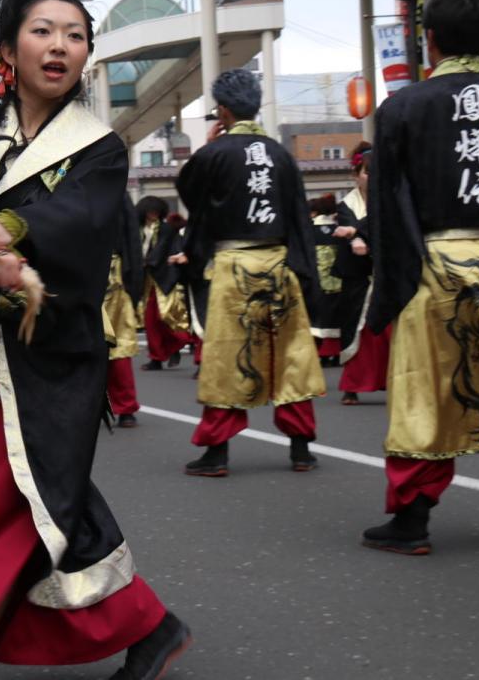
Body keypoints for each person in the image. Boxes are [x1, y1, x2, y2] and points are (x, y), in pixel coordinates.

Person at [0, 0, 188, 680]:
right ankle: (151, 626)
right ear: (6, 49)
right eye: (42, 30)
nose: (60, 44)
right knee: (37, 496)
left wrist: (16, 232)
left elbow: (86, 223)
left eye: (74, 33)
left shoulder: (98, 147)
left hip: (60, 343)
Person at [361, 0, 479, 554]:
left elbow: (389, 207)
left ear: (428, 40)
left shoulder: (402, 108)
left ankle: (412, 519)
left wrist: (390, 289)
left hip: (431, 262)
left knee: (425, 392)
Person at [173, 68, 325, 477]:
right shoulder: (280, 154)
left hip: (234, 265)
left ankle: (217, 451)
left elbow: (191, 193)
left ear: (222, 110)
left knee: (228, 354)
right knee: (290, 355)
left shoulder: (214, 154)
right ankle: (300, 448)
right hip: (279, 265)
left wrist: (208, 151)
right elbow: (299, 217)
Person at [334, 144, 390, 404]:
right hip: (358, 277)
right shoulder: (346, 204)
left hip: (386, 276)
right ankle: (353, 386)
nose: (370, 178)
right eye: (366, 173)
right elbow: (351, 232)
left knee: (390, 334)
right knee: (357, 330)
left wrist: (356, 233)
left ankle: (396, 383)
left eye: (375, 173)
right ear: (355, 175)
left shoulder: (391, 202)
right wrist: (356, 237)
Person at [136, 197, 191, 371]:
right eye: (150, 212)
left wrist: (147, 261)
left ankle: (178, 343)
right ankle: (157, 357)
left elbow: (161, 249)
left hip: (163, 277)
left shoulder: (166, 229)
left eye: (156, 212)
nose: (153, 215)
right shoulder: (138, 229)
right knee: (150, 320)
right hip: (146, 279)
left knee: (164, 317)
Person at [104, 198, 144, 427]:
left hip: (108, 274)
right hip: (107, 272)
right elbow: (133, 239)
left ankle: (124, 406)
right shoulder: (117, 188)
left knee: (116, 343)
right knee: (116, 343)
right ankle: (123, 407)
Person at [308, 195, 344, 366]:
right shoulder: (339, 228)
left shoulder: (309, 229)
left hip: (316, 282)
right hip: (339, 280)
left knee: (318, 319)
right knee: (338, 317)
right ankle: (337, 354)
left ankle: (321, 354)